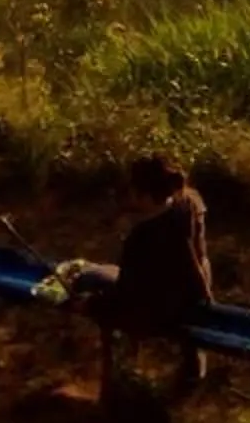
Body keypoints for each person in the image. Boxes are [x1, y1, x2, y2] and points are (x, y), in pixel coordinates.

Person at [88, 155, 213, 389]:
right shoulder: (189, 203)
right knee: (102, 275)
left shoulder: (142, 238)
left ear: (144, 196)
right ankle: (194, 367)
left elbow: (127, 294)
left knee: (92, 277)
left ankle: (120, 375)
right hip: (192, 294)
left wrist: (90, 305)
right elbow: (193, 259)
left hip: (160, 309)